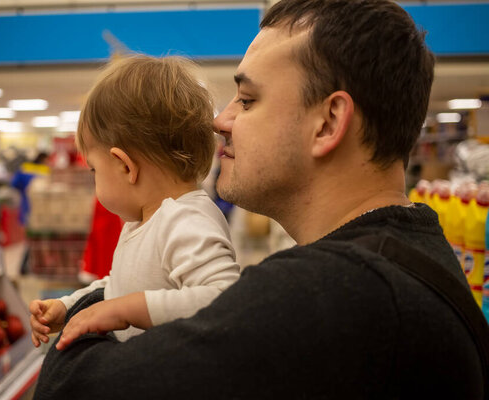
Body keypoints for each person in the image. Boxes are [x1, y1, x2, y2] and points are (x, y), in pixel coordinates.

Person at [33, 1, 485, 398]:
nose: (219, 121)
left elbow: (71, 388)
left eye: (247, 100)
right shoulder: (404, 257)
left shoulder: (336, 296)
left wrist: (98, 310)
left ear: (328, 123)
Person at [29, 55, 240, 347]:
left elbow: (225, 298)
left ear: (125, 166)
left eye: (94, 169)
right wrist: (69, 306)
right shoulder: (141, 221)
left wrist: (126, 311)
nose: (93, 179)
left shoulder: (185, 219)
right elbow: (118, 287)